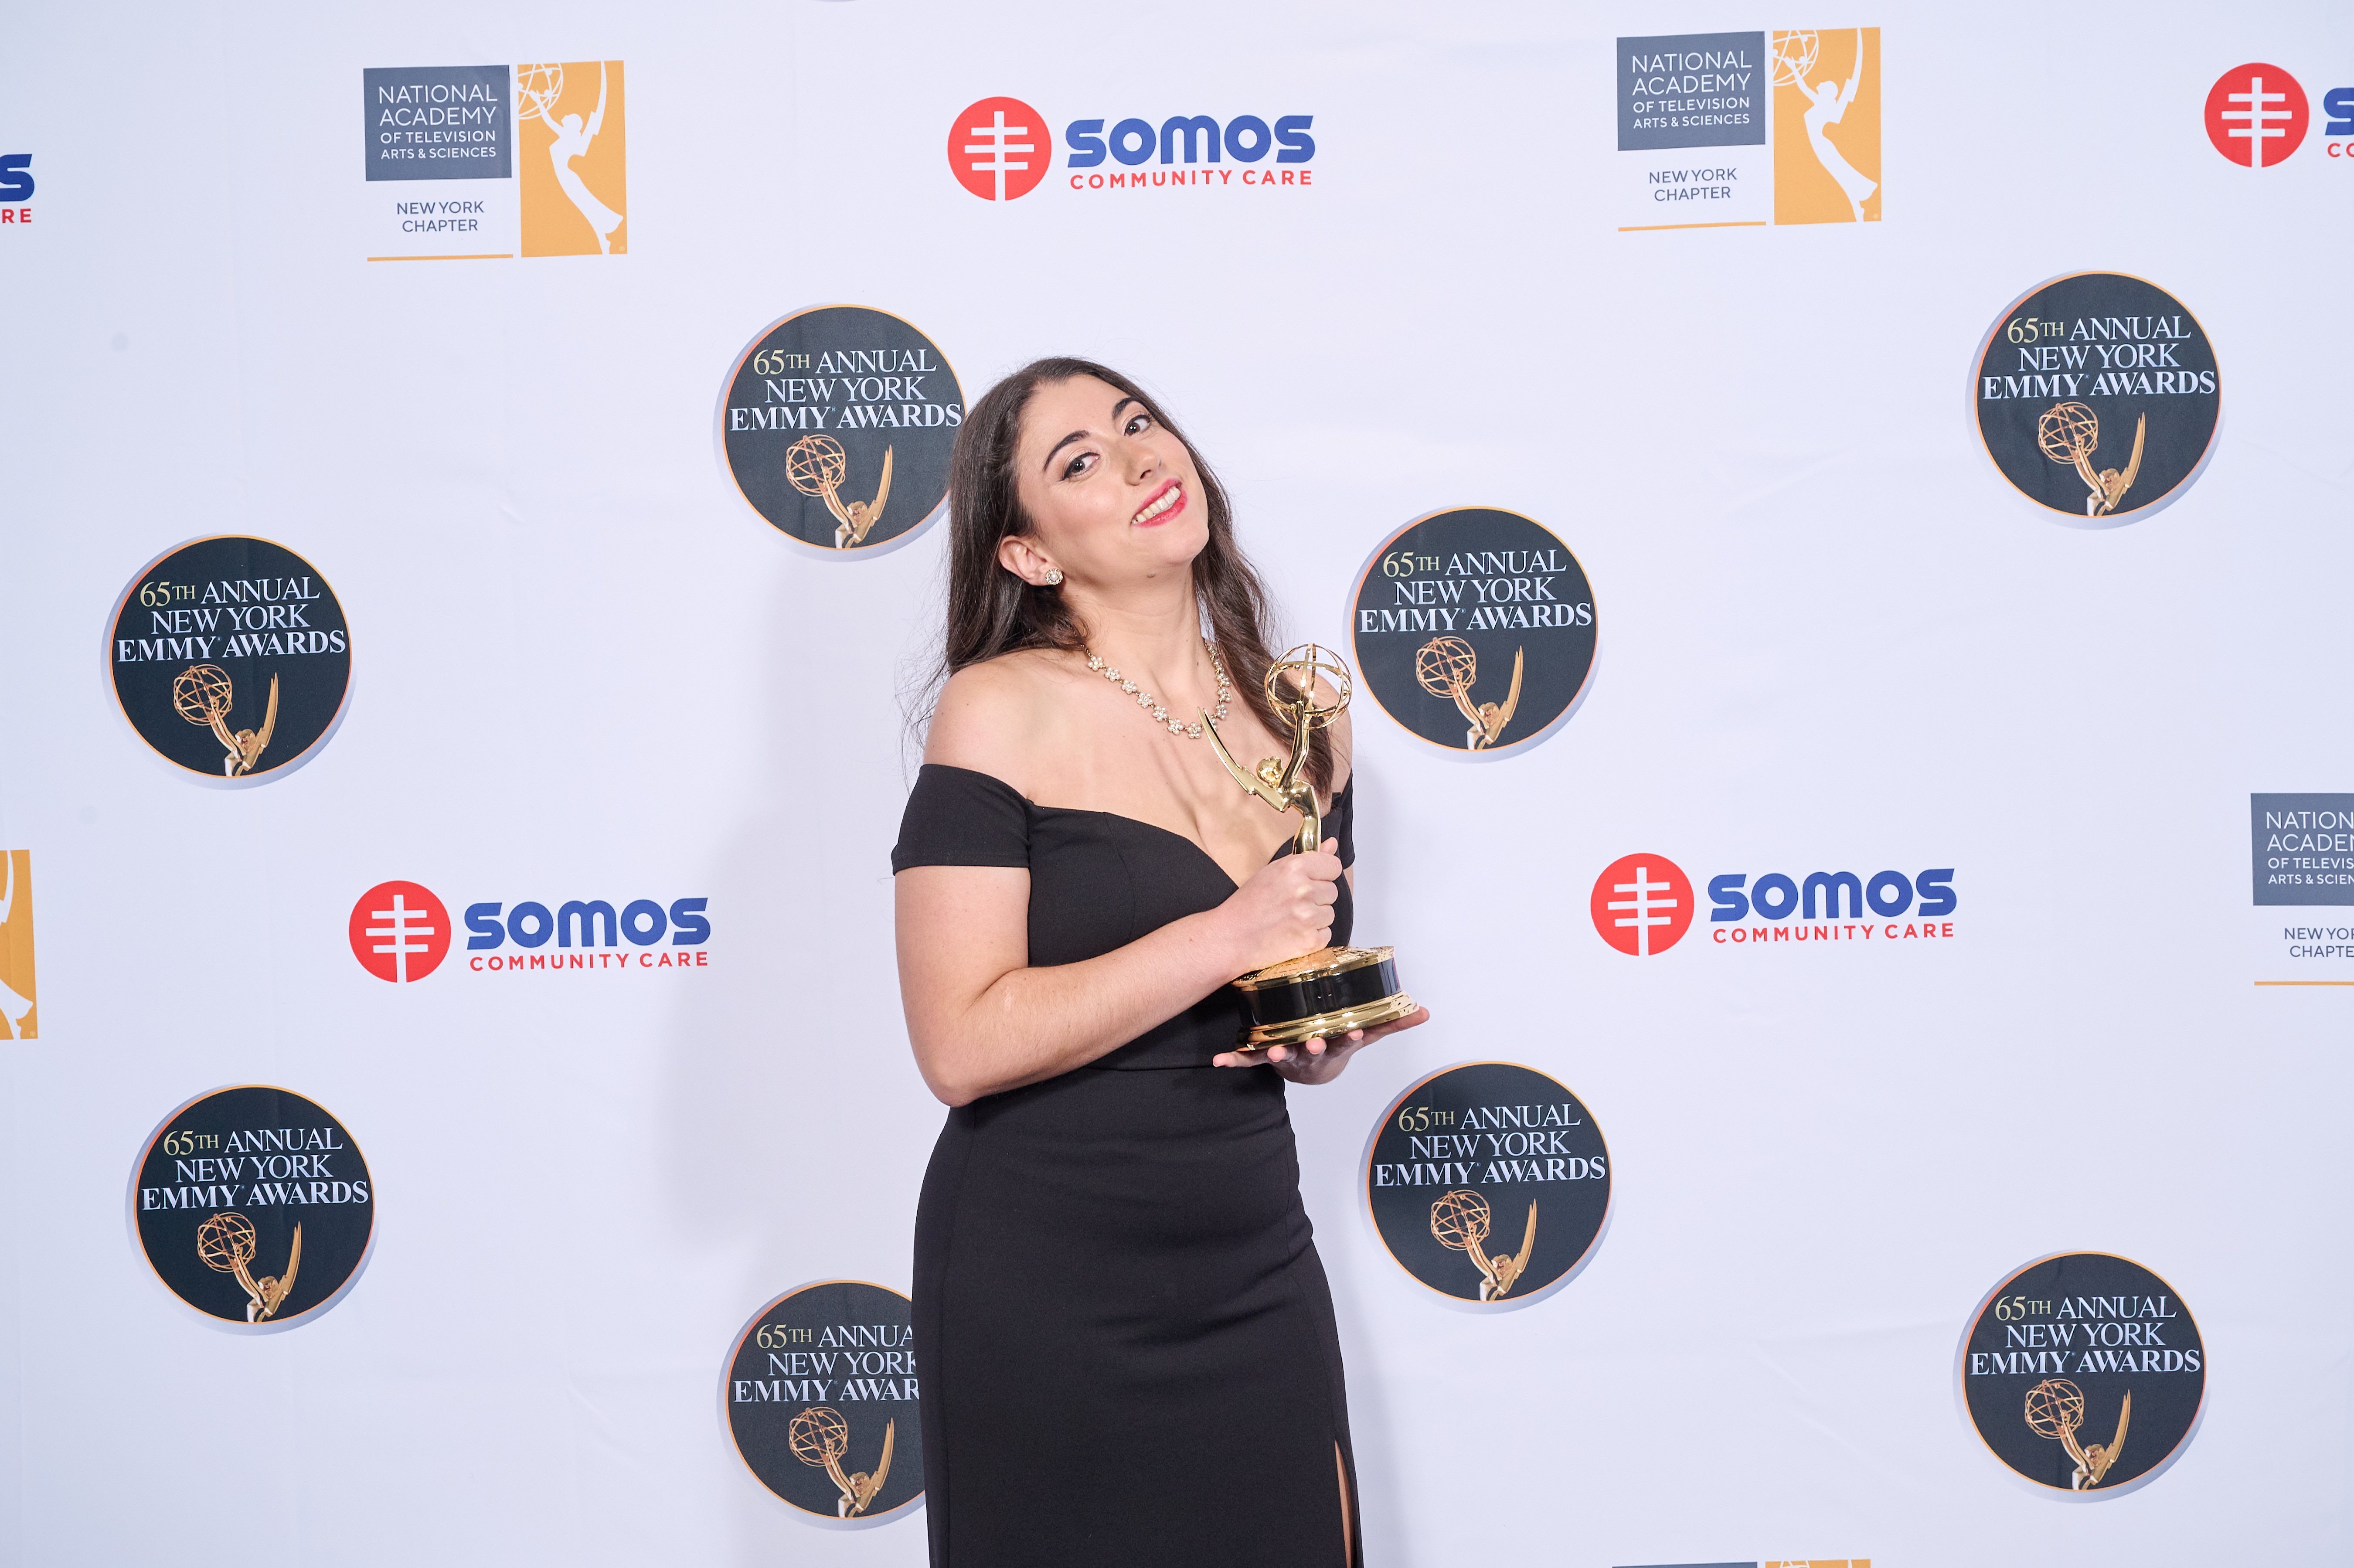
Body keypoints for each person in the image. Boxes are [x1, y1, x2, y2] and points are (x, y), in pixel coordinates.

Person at [893, 358, 1429, 1565]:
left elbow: (1290, 989)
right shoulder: (999, 709)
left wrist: (1321, 1042)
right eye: (1080, 460)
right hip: (1045, 1284)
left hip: (1252, 1258)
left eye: (1140, 424)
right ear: (1028, 553)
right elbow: (958, 1044)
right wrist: (1224, 935)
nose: (1140, 459)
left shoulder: (1305, 714)